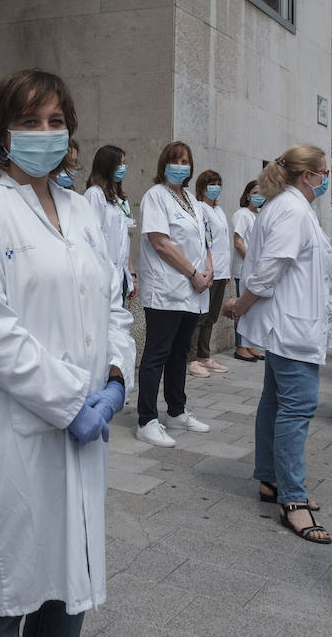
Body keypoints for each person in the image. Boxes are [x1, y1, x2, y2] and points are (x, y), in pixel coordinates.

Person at [0, 68, 135, 636]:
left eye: (55, 121)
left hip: (83, 433)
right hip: (13, 429)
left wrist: (116, 378)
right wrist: (71, 402)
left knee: (67, 582)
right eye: (30, 121)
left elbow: (113, 304)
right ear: (3, 133)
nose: (44, 132)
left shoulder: (81, 210)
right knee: (4, 587)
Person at [223, 145, 332, 545]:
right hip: (291, 327)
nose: (328, 178)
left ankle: (271, 479)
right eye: (325, 171)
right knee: (297, 407)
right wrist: (239, 305)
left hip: (290, 323)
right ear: (309, 175)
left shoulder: (289, 206)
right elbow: (270, 268)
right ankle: (292, 498)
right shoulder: (290, 209)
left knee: (275, 401)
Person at [134, 142, 212, 448]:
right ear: (163, 164)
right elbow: (161, 242)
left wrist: (207, 271)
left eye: (186, 161)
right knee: (157, 354)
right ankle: (146, 420)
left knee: (181, 352)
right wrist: (193, 274)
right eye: (175, 160)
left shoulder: (191, 199)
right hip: (167, 289)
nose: (181, 166)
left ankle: (176, 411)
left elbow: (203, 241)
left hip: (193, 290)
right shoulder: (156, 196)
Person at [190, 170, 232, 376]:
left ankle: (204, 355)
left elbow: (224, 242)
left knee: (212, 316)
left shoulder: (219, 210)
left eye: (218, 183)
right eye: (211, 183)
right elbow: (204, 240)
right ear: (202, 186)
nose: (215, 187)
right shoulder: (200, 208)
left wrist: (228, 270)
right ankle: (190, 359)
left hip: (223, 270)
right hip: (209, 270)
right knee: (201, 315)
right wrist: (208, 268)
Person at [84, 144, 137, 303]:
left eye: (124, 163)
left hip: (121, 275)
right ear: (107, 166)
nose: (123, 168)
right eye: (119, 164)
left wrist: (132, 274)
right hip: (102, 276)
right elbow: (91, 238)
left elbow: (124, 242)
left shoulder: (120, 200)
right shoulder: (95, 195)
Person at [229, 180, 266, 362]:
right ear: (248, 194)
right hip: (244, 269)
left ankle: (249, 344)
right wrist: (252, 262)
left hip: (256, 270)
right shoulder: (242, 214)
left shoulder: (258, 215)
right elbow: (238, 242)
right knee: (241, 307)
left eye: (263, 193)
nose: (259, 196)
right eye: (256, 192)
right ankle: (240, 346)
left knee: (251, 309)